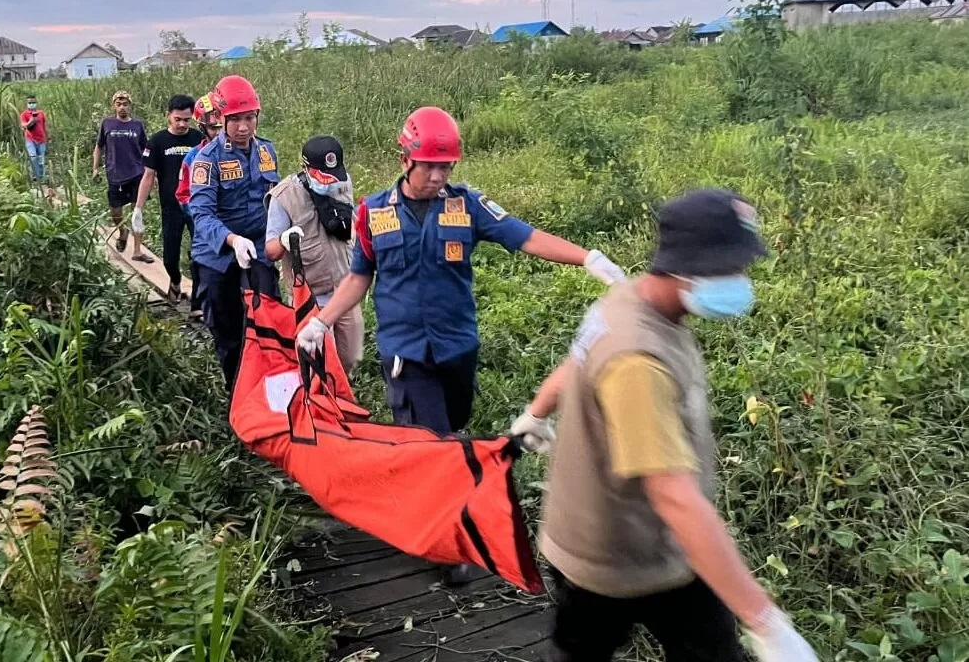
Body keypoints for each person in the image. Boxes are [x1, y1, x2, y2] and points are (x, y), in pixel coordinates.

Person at [296, 105, 625, 585]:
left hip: (456, 347)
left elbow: (525, 237)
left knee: (451, 426)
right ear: (406, 159)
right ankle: (446, 545)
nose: (437, 176)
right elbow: (359, 277)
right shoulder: (373, 212)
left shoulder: (467, 206)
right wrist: (322, 322)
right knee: (436, 446)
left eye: (445, 166)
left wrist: (587, 258)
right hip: (405, 352)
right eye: (429, 166)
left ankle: (420, 495)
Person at [508, 188, 819, 662]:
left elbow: (577, 360)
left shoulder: (629, 298)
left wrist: (537, 411)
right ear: (690, 264)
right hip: (614, 555)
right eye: (732, 268)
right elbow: (673, 495)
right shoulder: (638, 363)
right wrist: (766, 623)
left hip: (640, 539)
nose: (741, 280)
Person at [186, 75, 281, 392]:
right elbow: (201, 213)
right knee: (229, 333)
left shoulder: (266, 151)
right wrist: (232, 240)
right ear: (221, 118)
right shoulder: (207, 160)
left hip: (258, 249)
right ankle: (237, 396)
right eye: (235, 119)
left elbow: (274, 200)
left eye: (249, 118)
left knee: (269, 321)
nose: (243, 127)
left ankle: (271, 394)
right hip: (217, 255)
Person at [264, 135, 364, 376]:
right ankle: (322, 396)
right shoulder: (284, 197)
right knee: (320, 364)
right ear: (306, 168)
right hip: (311, 297)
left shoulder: (342, 183)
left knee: (350, 356)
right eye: (323, 177)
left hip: (344, 290)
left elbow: (350, 221)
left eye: (333, 177)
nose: (329, 183)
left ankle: (341, 389)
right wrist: (285, 239)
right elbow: (270, 251)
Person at [134, 94, 205, 296]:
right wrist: (138, 208)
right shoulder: (157, 141)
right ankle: (175, 281)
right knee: (169, 258)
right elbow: (148, 176)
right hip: (171, 208)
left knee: (200, 255)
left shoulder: (199, 139)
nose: (182, 124)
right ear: (168, 116)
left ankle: (198, 301)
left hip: (198, 207)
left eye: (187, 120)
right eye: (177, 119)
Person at [173, 93, 224, 318]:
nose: (219, 133)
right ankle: (198, 305)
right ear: (203, 128)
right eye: (213, 128)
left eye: (222, 127)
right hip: (205, 222)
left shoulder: (242, 152)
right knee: (201, 261)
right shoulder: (194, 158)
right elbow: (183, 194)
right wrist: (200, 213)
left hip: (235, 225)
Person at [93, 91, 148, 256]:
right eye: (119, 104)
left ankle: (137, 250)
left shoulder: (137, 125)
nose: (122, 107)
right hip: (115, 174)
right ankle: (122, 231)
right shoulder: (107, 124)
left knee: (137, 212)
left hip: (136, 173)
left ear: (130, 106)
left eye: (125, 104)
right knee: (115, 212)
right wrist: (95, 168)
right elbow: (99, 147)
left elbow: (146, 149)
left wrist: (151, 173)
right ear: (114, 106)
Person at [19, 95, 47, 183]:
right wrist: (31, 121)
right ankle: (35, 176)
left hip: (41, 139)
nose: (32, 104)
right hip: (30, 139)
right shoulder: (24, 114)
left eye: (33, 102)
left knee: (41, 158)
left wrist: (48, 136)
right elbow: (23, 125)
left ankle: (41, 176)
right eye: (30, 103)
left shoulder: (41, 113)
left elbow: (45, 125)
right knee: (33, 157)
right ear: (27, 103)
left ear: (36, 103)